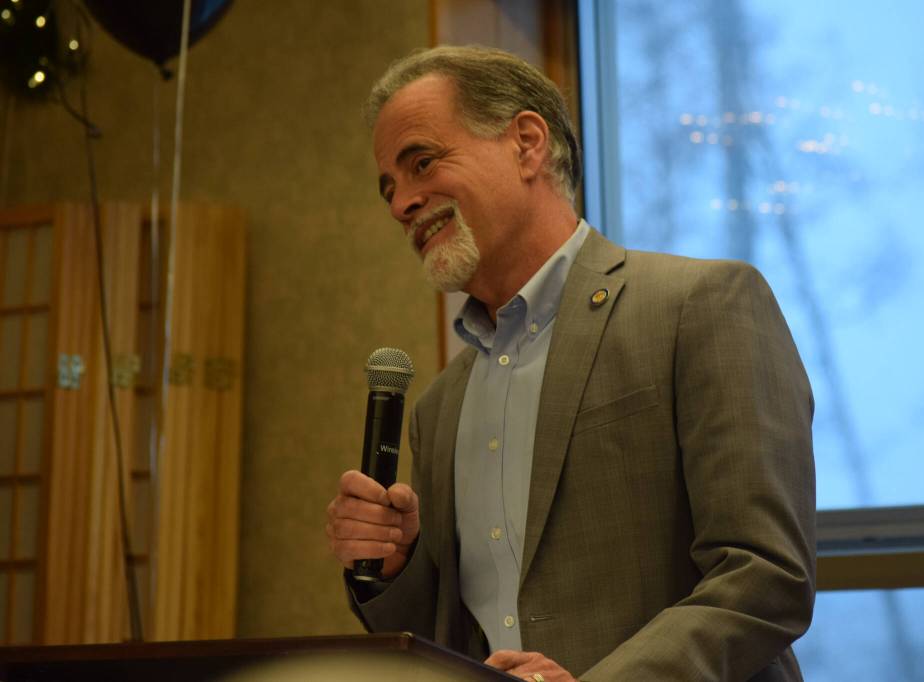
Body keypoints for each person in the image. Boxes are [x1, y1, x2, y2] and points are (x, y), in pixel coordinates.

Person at [326, 45, 815, 682]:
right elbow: (451, 635)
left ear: (526, 143)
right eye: (390, 187)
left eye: (422, 162)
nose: (401, 205)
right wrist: (394, 564)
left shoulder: (701, 305)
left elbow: (765, 574)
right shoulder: (438, 410)